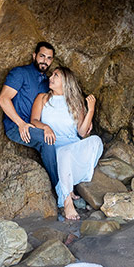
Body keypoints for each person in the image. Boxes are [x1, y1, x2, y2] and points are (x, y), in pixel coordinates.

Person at [30, 66, 103, 220]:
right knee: (63, 153)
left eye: (56, 75)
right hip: (55, 148)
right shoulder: (42, 98)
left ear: (66, 82)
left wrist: (90, 110)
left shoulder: (76, 103)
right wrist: (45, 127)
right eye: (52, 74)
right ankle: (67, 201)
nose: (51, 77)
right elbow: (34, 120)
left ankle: (68, 185)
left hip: (73, 148)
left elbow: (82, 132)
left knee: (96, 141)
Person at [0, 42, 59, 187]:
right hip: (16, 127)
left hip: (35, 126)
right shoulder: (20, 73)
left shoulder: (47, 83)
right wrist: (21, 123)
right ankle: (61, 191)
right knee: (47, 140)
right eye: (42, 56)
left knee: (61, 140)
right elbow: (3, 99)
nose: (45, 61)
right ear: (34, 56)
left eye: (49, 58)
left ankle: (73, 185)